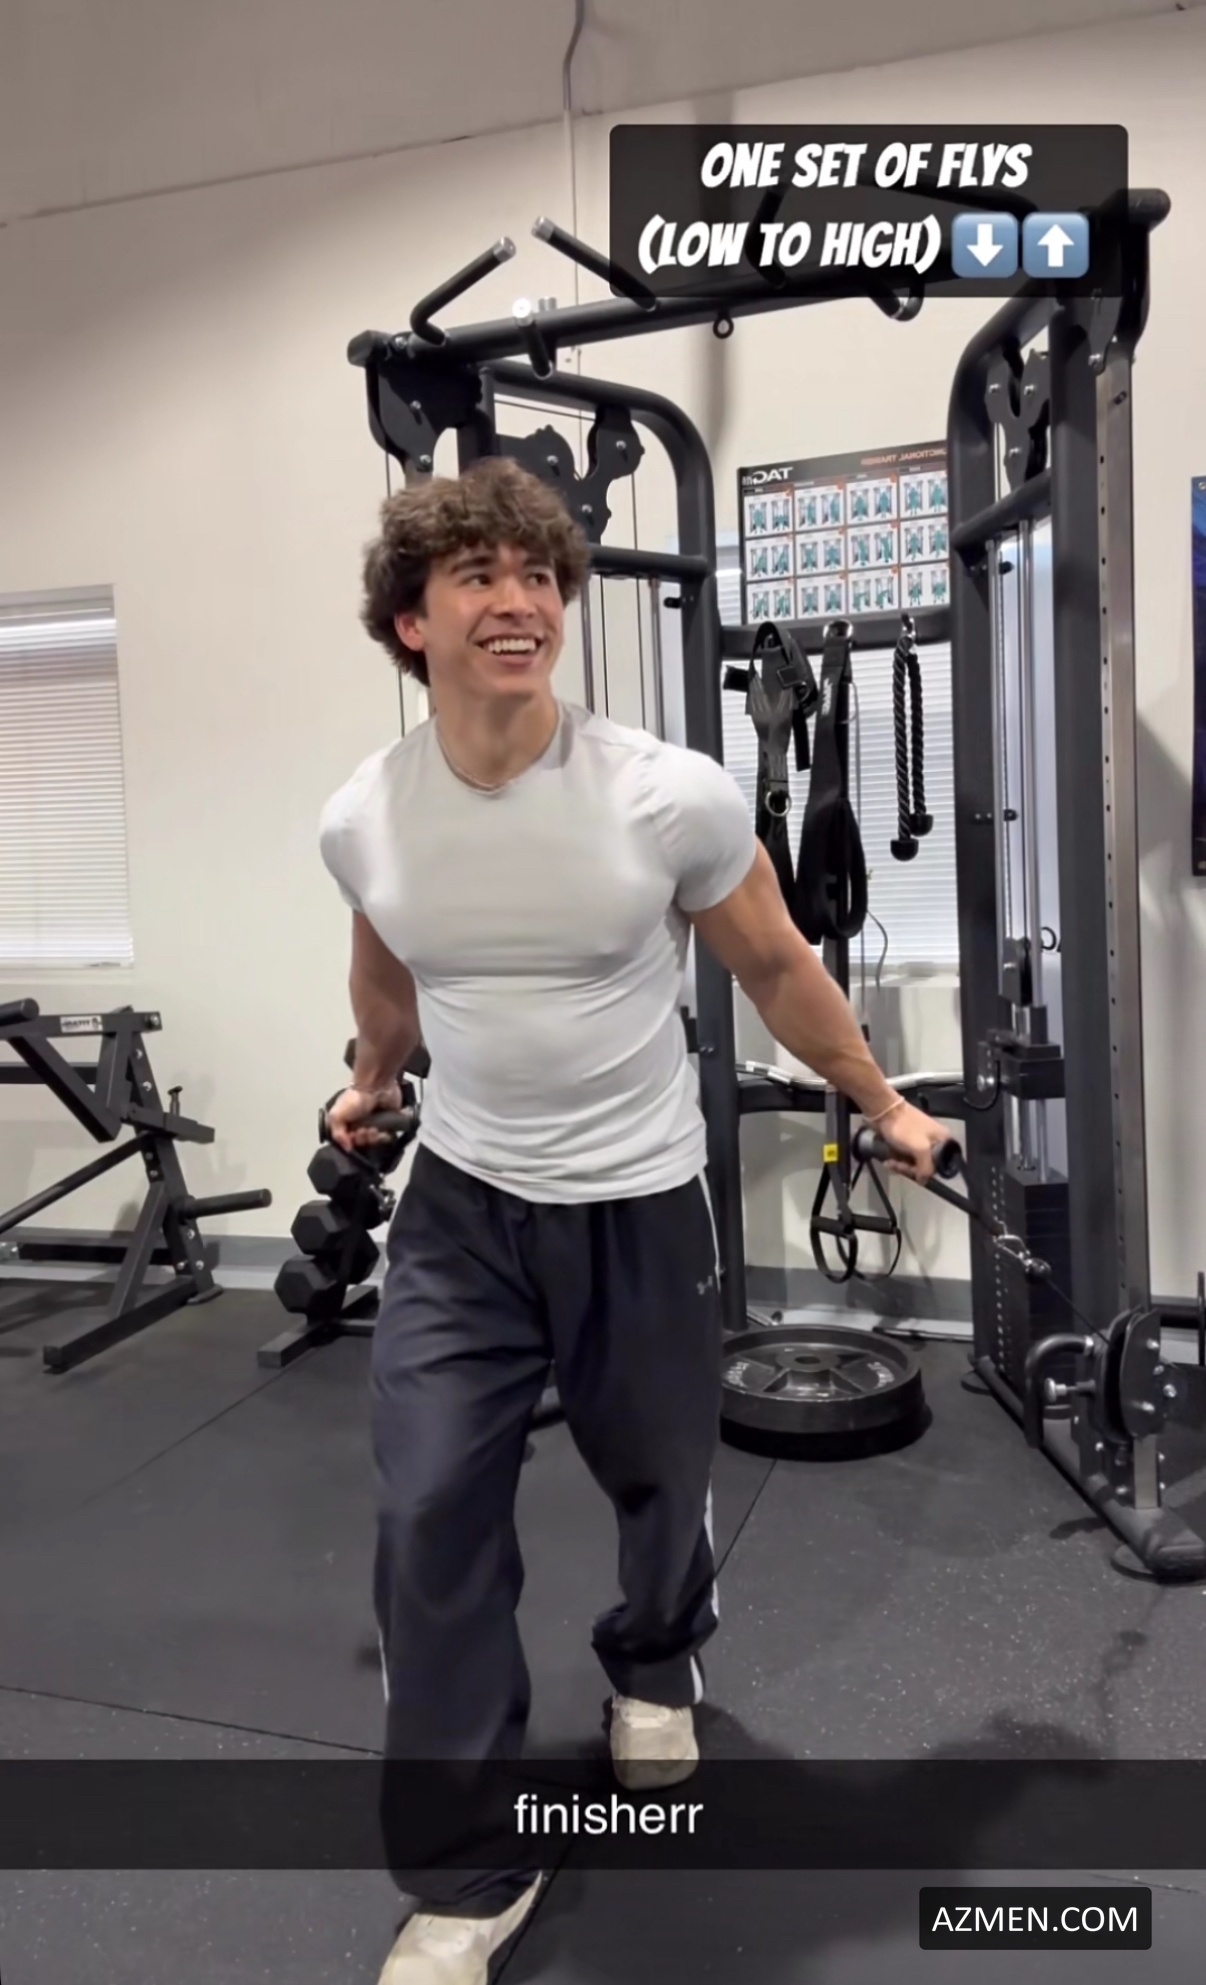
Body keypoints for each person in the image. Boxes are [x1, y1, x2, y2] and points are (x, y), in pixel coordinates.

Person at [319, 457, 949, 1985]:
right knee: (425, 1516)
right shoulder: (366, 816)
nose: (517, 601)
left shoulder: (665, 794)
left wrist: (878, 1100)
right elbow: (388, 964)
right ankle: (464, 1875)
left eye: (537, 576)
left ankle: (655, 1663)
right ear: (410, 620)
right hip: (464, 1210)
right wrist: (373, 1080)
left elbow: (777, 962)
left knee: (661, 1481)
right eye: (477, 575)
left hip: (639, 1200)